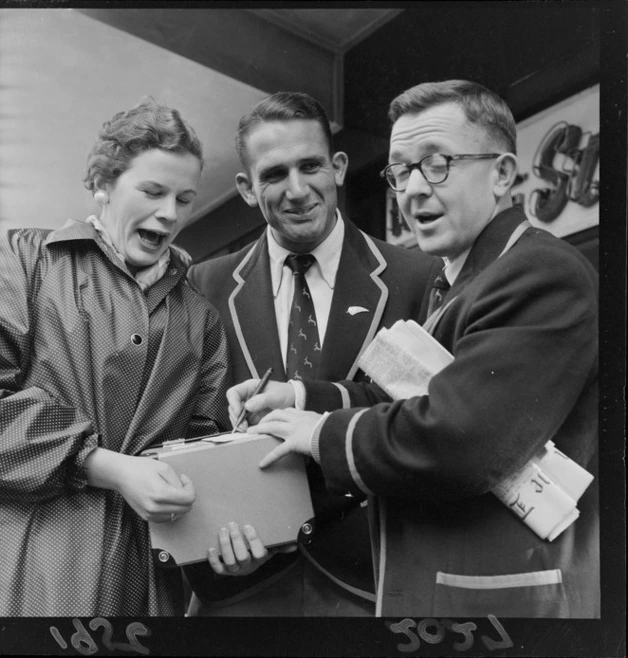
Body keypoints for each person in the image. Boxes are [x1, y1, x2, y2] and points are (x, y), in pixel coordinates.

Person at [229, 80, 600, 618]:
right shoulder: (462, 279)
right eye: (400, 171)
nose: (413, 189)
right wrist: (298, 396)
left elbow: (460, 439)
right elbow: (396, 399)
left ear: (501, 173)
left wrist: (319, 432)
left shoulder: (542, 273)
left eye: (437, 164)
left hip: (510, 605)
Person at [186, 91, 441, 616]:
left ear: (339, 167)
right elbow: (193, 424)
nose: (297, 190)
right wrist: (216, 534)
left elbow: (433, 419)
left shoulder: (418, 278)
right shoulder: (203, 286)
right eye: (274, 174)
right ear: (246, 189)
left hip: (373, 578)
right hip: (244, 582)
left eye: (310, 166)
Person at [0, 98, 231, 617]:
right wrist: (106, 466)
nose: (170, 213)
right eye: (153, 191)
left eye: (185, 199)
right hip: (29, 572)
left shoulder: (202, 319)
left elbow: (202, 454)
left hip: (143, 583)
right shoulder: (26, 260)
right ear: (102, 184)